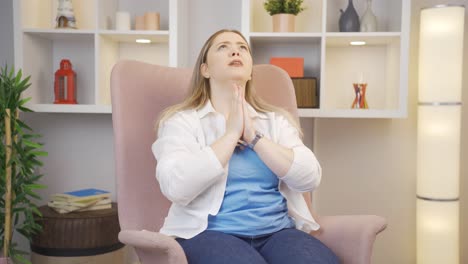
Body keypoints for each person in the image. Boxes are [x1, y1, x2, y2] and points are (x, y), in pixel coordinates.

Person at [152, 29, 338, 264]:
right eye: (223, 47)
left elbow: (309, 177)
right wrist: (230, 136)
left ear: (250, 71)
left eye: (242, 47)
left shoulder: (275, 121)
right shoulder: (181, 122)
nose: (235, 50)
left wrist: (255, 138)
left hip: (278, 233)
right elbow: (176, 186)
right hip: (209, 234)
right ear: (205, 69)